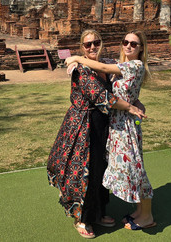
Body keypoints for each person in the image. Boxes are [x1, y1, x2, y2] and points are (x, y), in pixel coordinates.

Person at [47, 29, 146, 239]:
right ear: (82, 48)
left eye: (96, 43)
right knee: (84, 171)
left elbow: (121, 86)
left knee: (101, 169)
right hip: (83, 124)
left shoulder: (107, 64)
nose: (92, 47)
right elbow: (102, 97)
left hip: (104, 124)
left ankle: (98, 212)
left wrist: (135, 100)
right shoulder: (81, 70)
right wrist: (129, 107)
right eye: (87, 44)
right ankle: (81, 218)